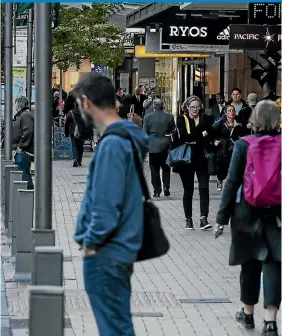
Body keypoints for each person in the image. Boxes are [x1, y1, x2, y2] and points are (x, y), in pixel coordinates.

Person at [72, 73, 149, 336]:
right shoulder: (125, 138)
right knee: (118, 325)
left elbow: (106, 205)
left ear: (86, 102)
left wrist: (91, 244)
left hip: (107, 251)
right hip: (118, 249)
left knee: (113, 328)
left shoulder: (113, 144)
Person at [214, 100, 281, 336]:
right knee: (274, 264)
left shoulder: (244, 145)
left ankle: (248, 313)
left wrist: (221, 218)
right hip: (277, 213)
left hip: (246, 211)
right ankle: (271, 322)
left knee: (249, 264)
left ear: (254, 119)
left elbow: (231, 183)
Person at [176, 96, 213, 231]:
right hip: (186, 160)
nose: (195, 109)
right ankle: (188, 220)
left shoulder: (206, 119)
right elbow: (184, 137)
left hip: (202, 159)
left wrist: (197, 138)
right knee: (188, 190)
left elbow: (210, 136)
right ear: (187, 107)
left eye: (197, 107)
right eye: (192, 107)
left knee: (204, 188)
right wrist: (201, 135)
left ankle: (204, 218)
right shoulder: (181, 119)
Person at [143, 98, 176, 197]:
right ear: (163, 106)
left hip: (153, 146)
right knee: (166, 168)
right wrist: (168, 133)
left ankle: (157, 190)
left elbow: (144, 132)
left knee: (154, 169)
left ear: (153, 106)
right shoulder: (169, 116)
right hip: (166, 145)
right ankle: (166, 187)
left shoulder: (148, 117)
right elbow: (173, 129)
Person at [213, 105, 244, 191]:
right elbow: (213, 132)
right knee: (222, 167)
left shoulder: (238, 124)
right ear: (226, 112)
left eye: (233, 110)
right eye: (229, 111)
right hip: (223, 148)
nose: (232, 112)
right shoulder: (220, 123)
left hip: (234, 148)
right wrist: (215, 141)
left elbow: (242, 135)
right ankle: (220, 180)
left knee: (234, 167)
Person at [12, 96, 34, 190]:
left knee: (24, 174)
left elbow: (28, 131)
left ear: (19, 105)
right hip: (23, 150)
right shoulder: (24, 115)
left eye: (16, 104)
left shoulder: (25, 115)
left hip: (24, 150)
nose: (15, 106)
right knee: (23, 173)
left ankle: (27, 197)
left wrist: (21, 146)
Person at [65, 102, 91, 167]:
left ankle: (75, 159)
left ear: (75, 105)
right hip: (82, 132)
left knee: (74, 145)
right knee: (80, 146)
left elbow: (66, 124)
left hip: (73, 132)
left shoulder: (70, 113)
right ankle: (79, 160)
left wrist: (66, 133)